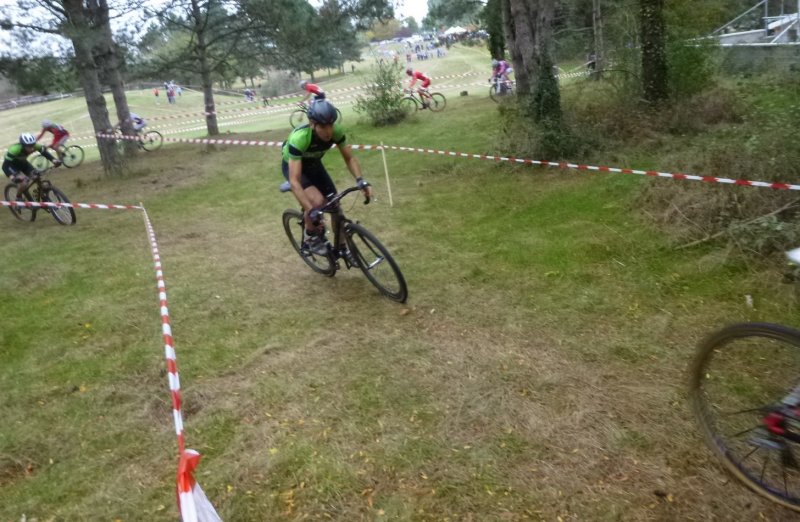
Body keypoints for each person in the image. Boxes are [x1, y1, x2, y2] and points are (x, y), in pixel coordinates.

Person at [280, 100, 371, 255]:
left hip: (314, 164)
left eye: (330, 125)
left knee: (335, 205)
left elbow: (349, 158)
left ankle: (341, 248)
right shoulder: (300, 138)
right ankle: (310, 238)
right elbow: (295, 180)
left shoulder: (336, 131)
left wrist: (360, 180)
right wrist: (311, 210)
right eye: (322, 127)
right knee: (317, 202)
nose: (328, 131)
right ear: (312, 124)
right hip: (294, 167)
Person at [2, 133, 60, 197]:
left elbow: (44, 152)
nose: (32, 148)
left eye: (32, 145)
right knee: (23, 182)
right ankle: (18, 197)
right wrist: (12, 177)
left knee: (36, 176)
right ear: (23, 145)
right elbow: (5, 166)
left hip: (23, 164)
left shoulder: (35, 146)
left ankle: (42, 194)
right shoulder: (14, 150)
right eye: (29, 146)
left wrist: (53, 160)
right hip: (12, 166)